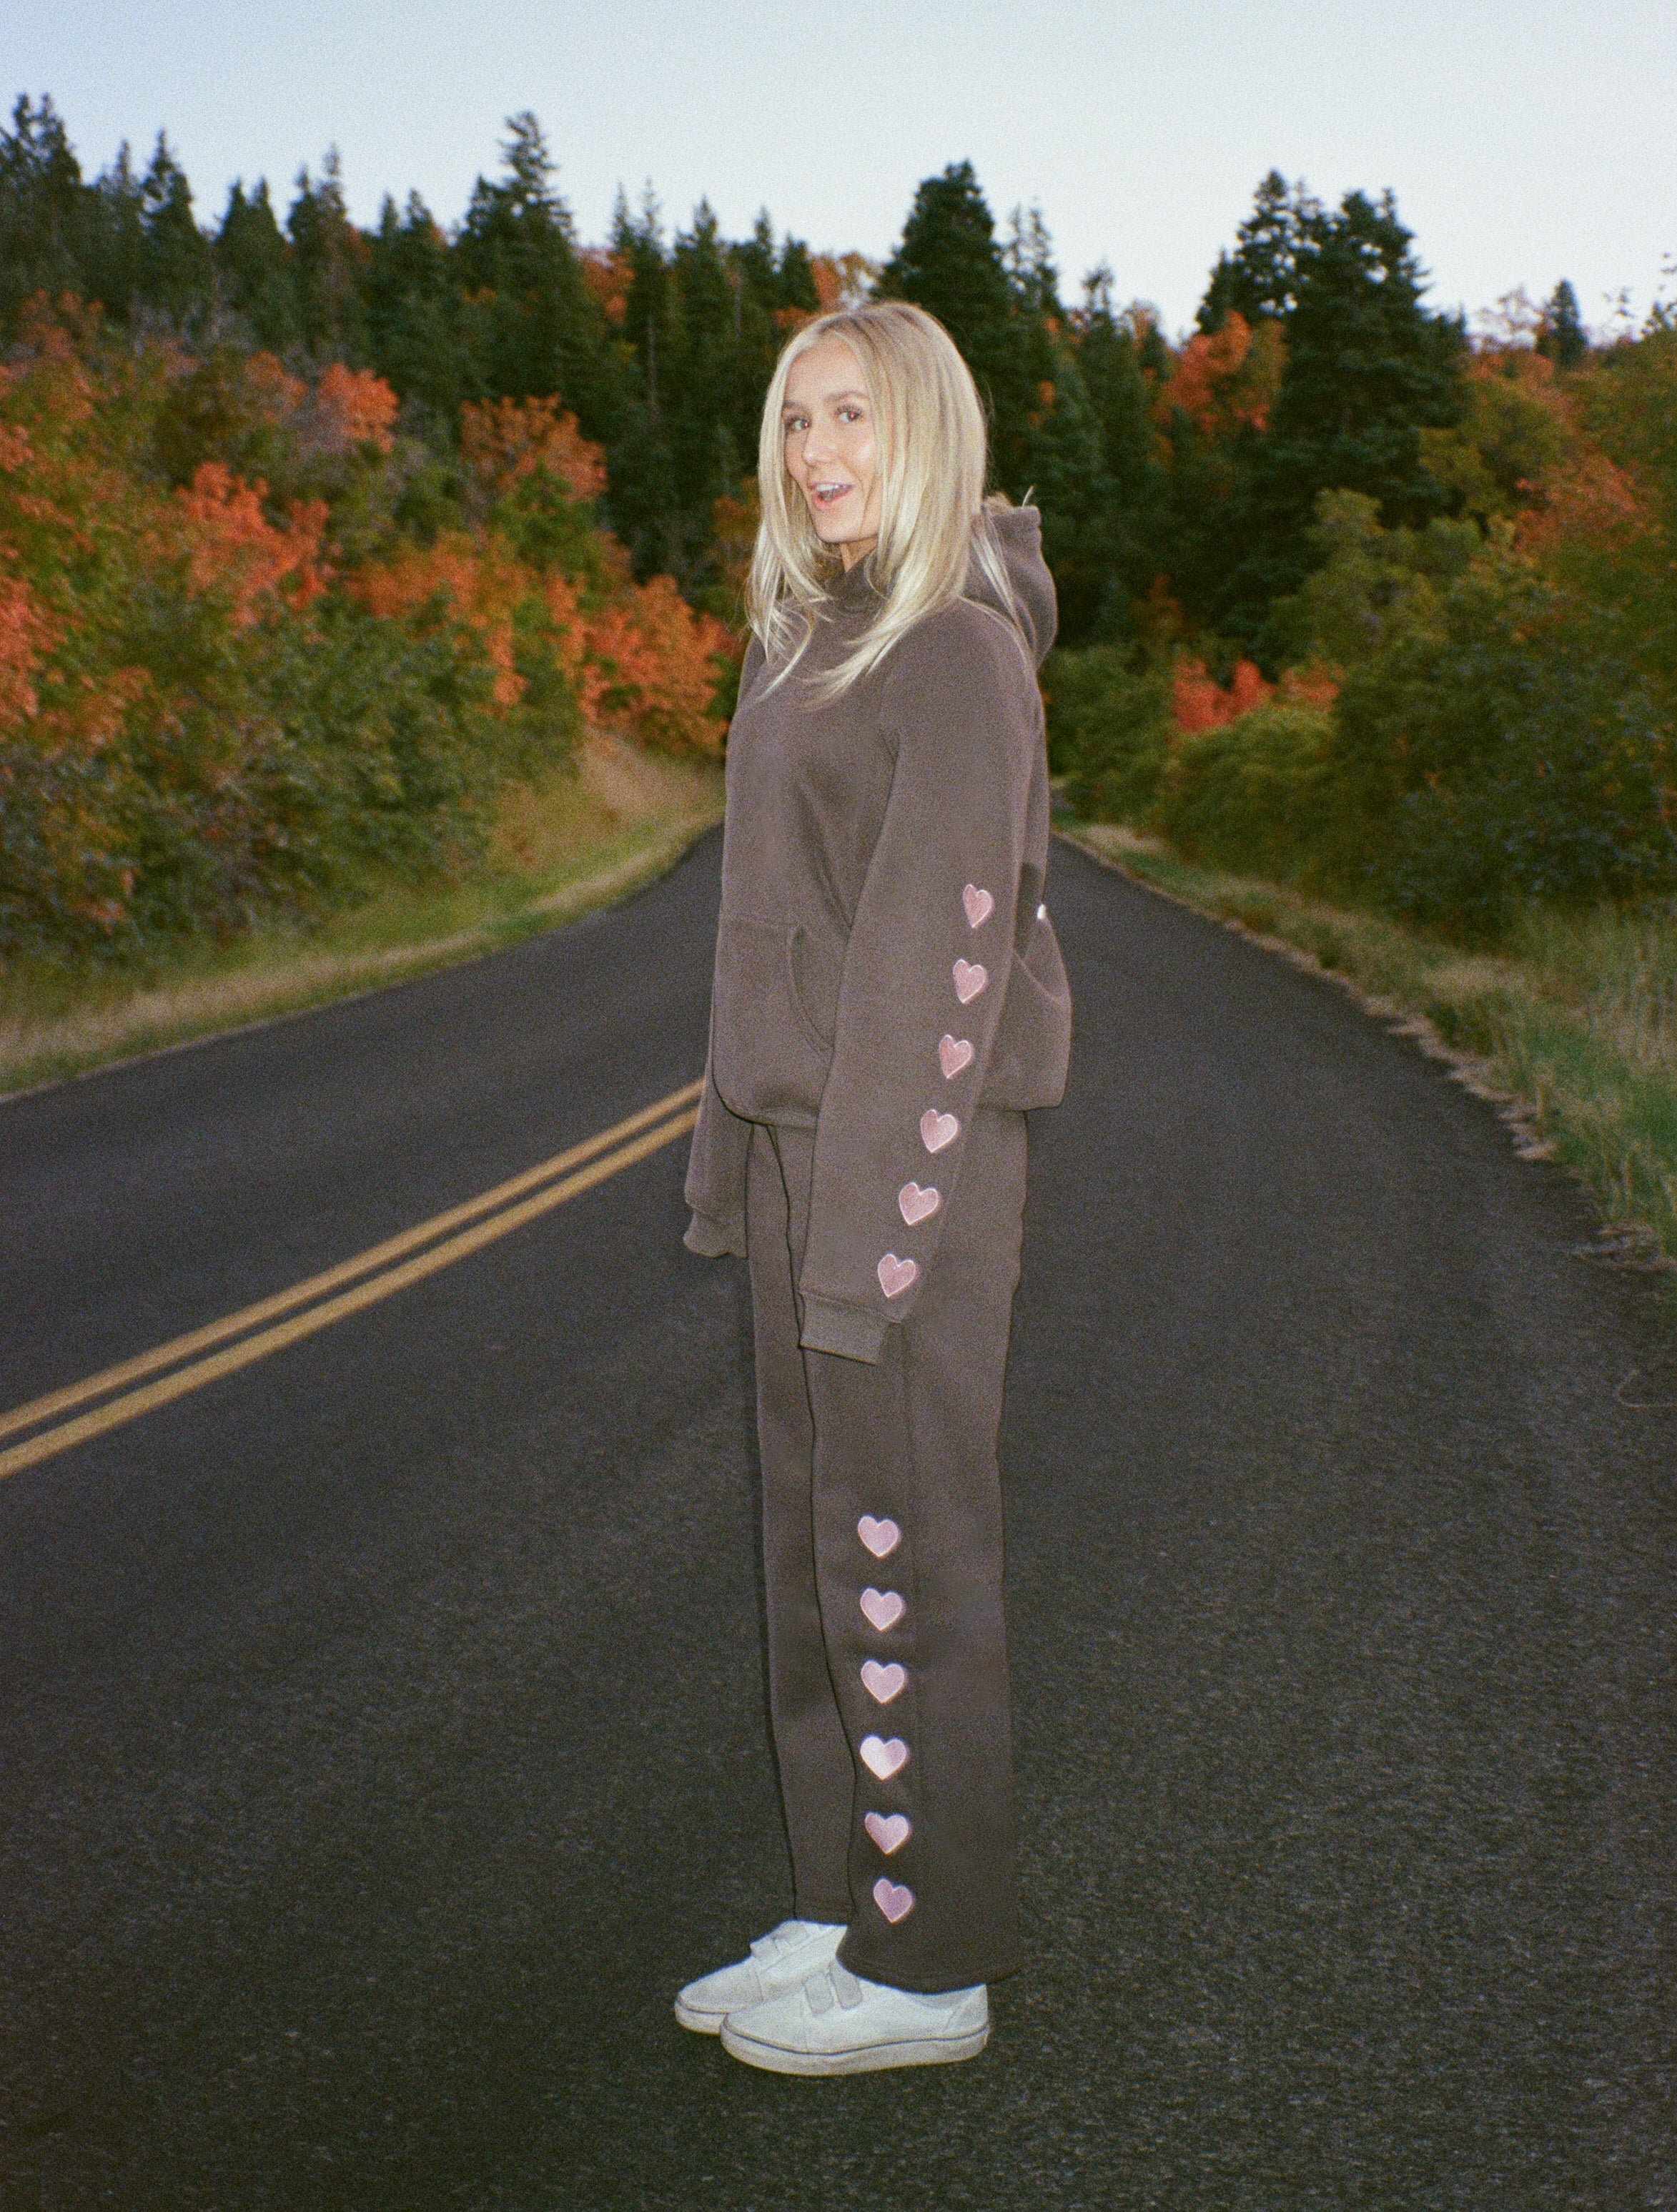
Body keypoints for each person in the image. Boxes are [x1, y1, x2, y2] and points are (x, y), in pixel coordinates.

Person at [676, 300, 1070, 2075]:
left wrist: (870, 1236)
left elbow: (936, 969)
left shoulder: (953, 651)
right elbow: (760, 932)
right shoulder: (800, 640)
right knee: (810, 1548)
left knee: (905, 1543)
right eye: (793, 421)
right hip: (794, 1154)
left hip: (900, 1167)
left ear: (923, 430)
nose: (817, 451)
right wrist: (729, 1155)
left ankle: (931, 1960)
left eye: (851, 415)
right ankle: (847, 1898)